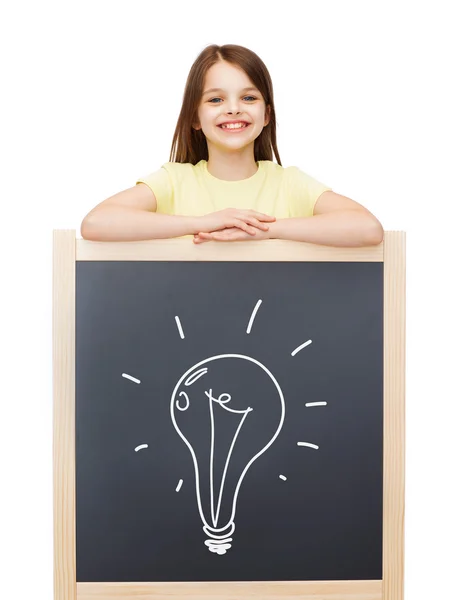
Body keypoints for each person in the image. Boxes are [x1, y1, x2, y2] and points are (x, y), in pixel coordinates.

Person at [80, 44, 384, 247]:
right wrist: (204, 223)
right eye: (215, 99)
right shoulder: (174, 181)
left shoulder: (287, 183)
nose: (234, 109)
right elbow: (96, 223)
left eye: (248, 98)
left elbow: (368, 229)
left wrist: (264, 230)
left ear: (266, 115)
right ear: (195, 118)